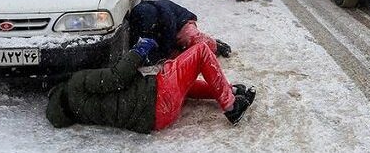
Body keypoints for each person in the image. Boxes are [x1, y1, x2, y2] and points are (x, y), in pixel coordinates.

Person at [46, 38, 256, 133]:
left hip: (156, 118)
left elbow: (115, 94)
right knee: (200, 52)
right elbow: (117, 77)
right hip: (156, 96)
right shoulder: (76, 82)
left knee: (180, 80)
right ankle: (231, 107)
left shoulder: (76, 110)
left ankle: (232, 91)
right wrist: (138, 50)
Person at [129, 0, 231, 64]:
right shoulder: (137, 20)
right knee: (177, 59)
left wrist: (162, 54)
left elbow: (168, 38)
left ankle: (215, 45)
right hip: (164, 34)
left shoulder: (165, 15)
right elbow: (137, 40)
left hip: (182, 23)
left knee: (190, 39)